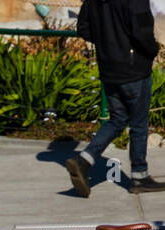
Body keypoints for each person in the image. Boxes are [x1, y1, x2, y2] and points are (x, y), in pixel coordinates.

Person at [66, 0, 165, 195]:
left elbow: (83, 28)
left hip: (108, 68)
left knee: (118, 119)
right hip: (133, 69)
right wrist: (153, 49)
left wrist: (108, 46)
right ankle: (139, 176)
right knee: (138, 123)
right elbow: (141, 32)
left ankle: (84, 160)